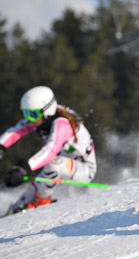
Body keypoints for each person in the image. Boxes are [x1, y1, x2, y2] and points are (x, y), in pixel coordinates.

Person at [0, 86, 97, 214]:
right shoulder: (42, 118)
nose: (30, 119)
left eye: (33, 114)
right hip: (60, 168)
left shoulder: (62, 123)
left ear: (47, 110)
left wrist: (25, 168)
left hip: (84, 169)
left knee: (53, 163)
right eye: (26, 114)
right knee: (31, 191)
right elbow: (17, 130)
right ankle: (12, 213)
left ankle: (42, 201)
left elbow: (51, 150)